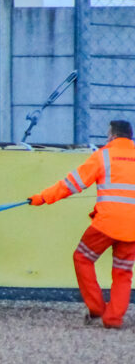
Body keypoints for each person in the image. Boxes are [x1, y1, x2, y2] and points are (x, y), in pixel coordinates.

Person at [28, 120, 135, 329]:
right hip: (132, 228)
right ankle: (113, 319)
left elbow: (71, 184)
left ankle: (96, 307)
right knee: (123, 272)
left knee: (83, 258)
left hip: (105, 224)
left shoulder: (103, 155)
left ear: (112, 135)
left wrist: (42, 198)